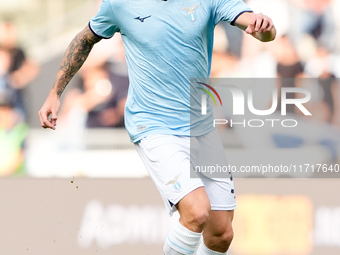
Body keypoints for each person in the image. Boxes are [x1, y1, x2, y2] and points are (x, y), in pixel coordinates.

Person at [39, 0, 276, 254]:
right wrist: (55, 92)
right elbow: (85, 39)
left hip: (201, 126)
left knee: (221, 233)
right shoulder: (119, 5)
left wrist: (264, 27)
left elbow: (261, 30)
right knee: (196, 212)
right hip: (153, 124)